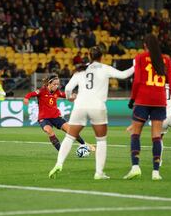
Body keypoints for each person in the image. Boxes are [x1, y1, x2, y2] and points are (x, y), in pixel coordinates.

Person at [48, 46, 134, 180]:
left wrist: (70, 97)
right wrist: (135, 65)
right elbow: (124, 75)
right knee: (101, 140)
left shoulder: (81, 69)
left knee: (70, 137)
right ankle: (99, 173)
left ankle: (59, 163)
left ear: (89, 56)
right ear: (102, 56)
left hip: (80, 105)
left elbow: (69, 88)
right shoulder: (105, 68)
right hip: (97, 106)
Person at [123, 34, 171, 181]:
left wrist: (132, 99)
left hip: (143, 100)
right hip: (159, 101)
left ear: (145, 45)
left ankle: (135, 167)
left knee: (135, 134)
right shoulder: (166, 59)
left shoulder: (140, 58)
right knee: (156, 136)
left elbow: (137, 81)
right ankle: (155, 172)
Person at [24, 75, 93, 152]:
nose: (56, 86)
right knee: (49, 131)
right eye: (54, 84)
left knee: (71, 131)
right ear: (49, 83)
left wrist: (72, 97)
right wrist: (26, 98)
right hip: (44, 118)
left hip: (56, 117)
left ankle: (84, 144)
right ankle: (61, 152)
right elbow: (30, 94)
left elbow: (66, 96)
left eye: (57, 84)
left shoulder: (57, 92)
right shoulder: (42, 91)